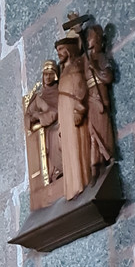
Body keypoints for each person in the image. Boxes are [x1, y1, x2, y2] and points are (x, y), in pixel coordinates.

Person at [55, 34, 91, 200]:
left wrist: (79, 110)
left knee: (77, 146)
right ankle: (71, 187)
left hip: (74, 111)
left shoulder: (77, 66)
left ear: (69, 51)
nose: (59, 54)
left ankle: (81, 182)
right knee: (68, 148)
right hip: (65, 113)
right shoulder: (64, 72)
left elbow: (81, 88)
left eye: (61, 50)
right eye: (58, 51)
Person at [24, 60, 63, 185]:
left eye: (51, 74)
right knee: (51, 135)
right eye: (45, 74)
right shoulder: (39, 95)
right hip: (45, 129)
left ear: (55, 76)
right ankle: (54, 171)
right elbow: (28, 115)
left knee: (57, 133)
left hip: (59, 123)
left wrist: (40, 115)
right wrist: (34, 117)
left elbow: (56, 112)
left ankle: (61, 168)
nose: (48, 77)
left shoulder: (59, 91)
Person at [83, 24, 115, 171]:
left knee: (102, 129)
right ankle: (95, 164)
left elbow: (107, 77)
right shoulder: (88, 59)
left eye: (90, 37)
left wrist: (94, 68)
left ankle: (108, 156)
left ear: (96, 40)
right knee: (92, 132)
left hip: (99, 98)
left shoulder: (100, 57)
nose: (88, 40)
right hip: (90, 99)